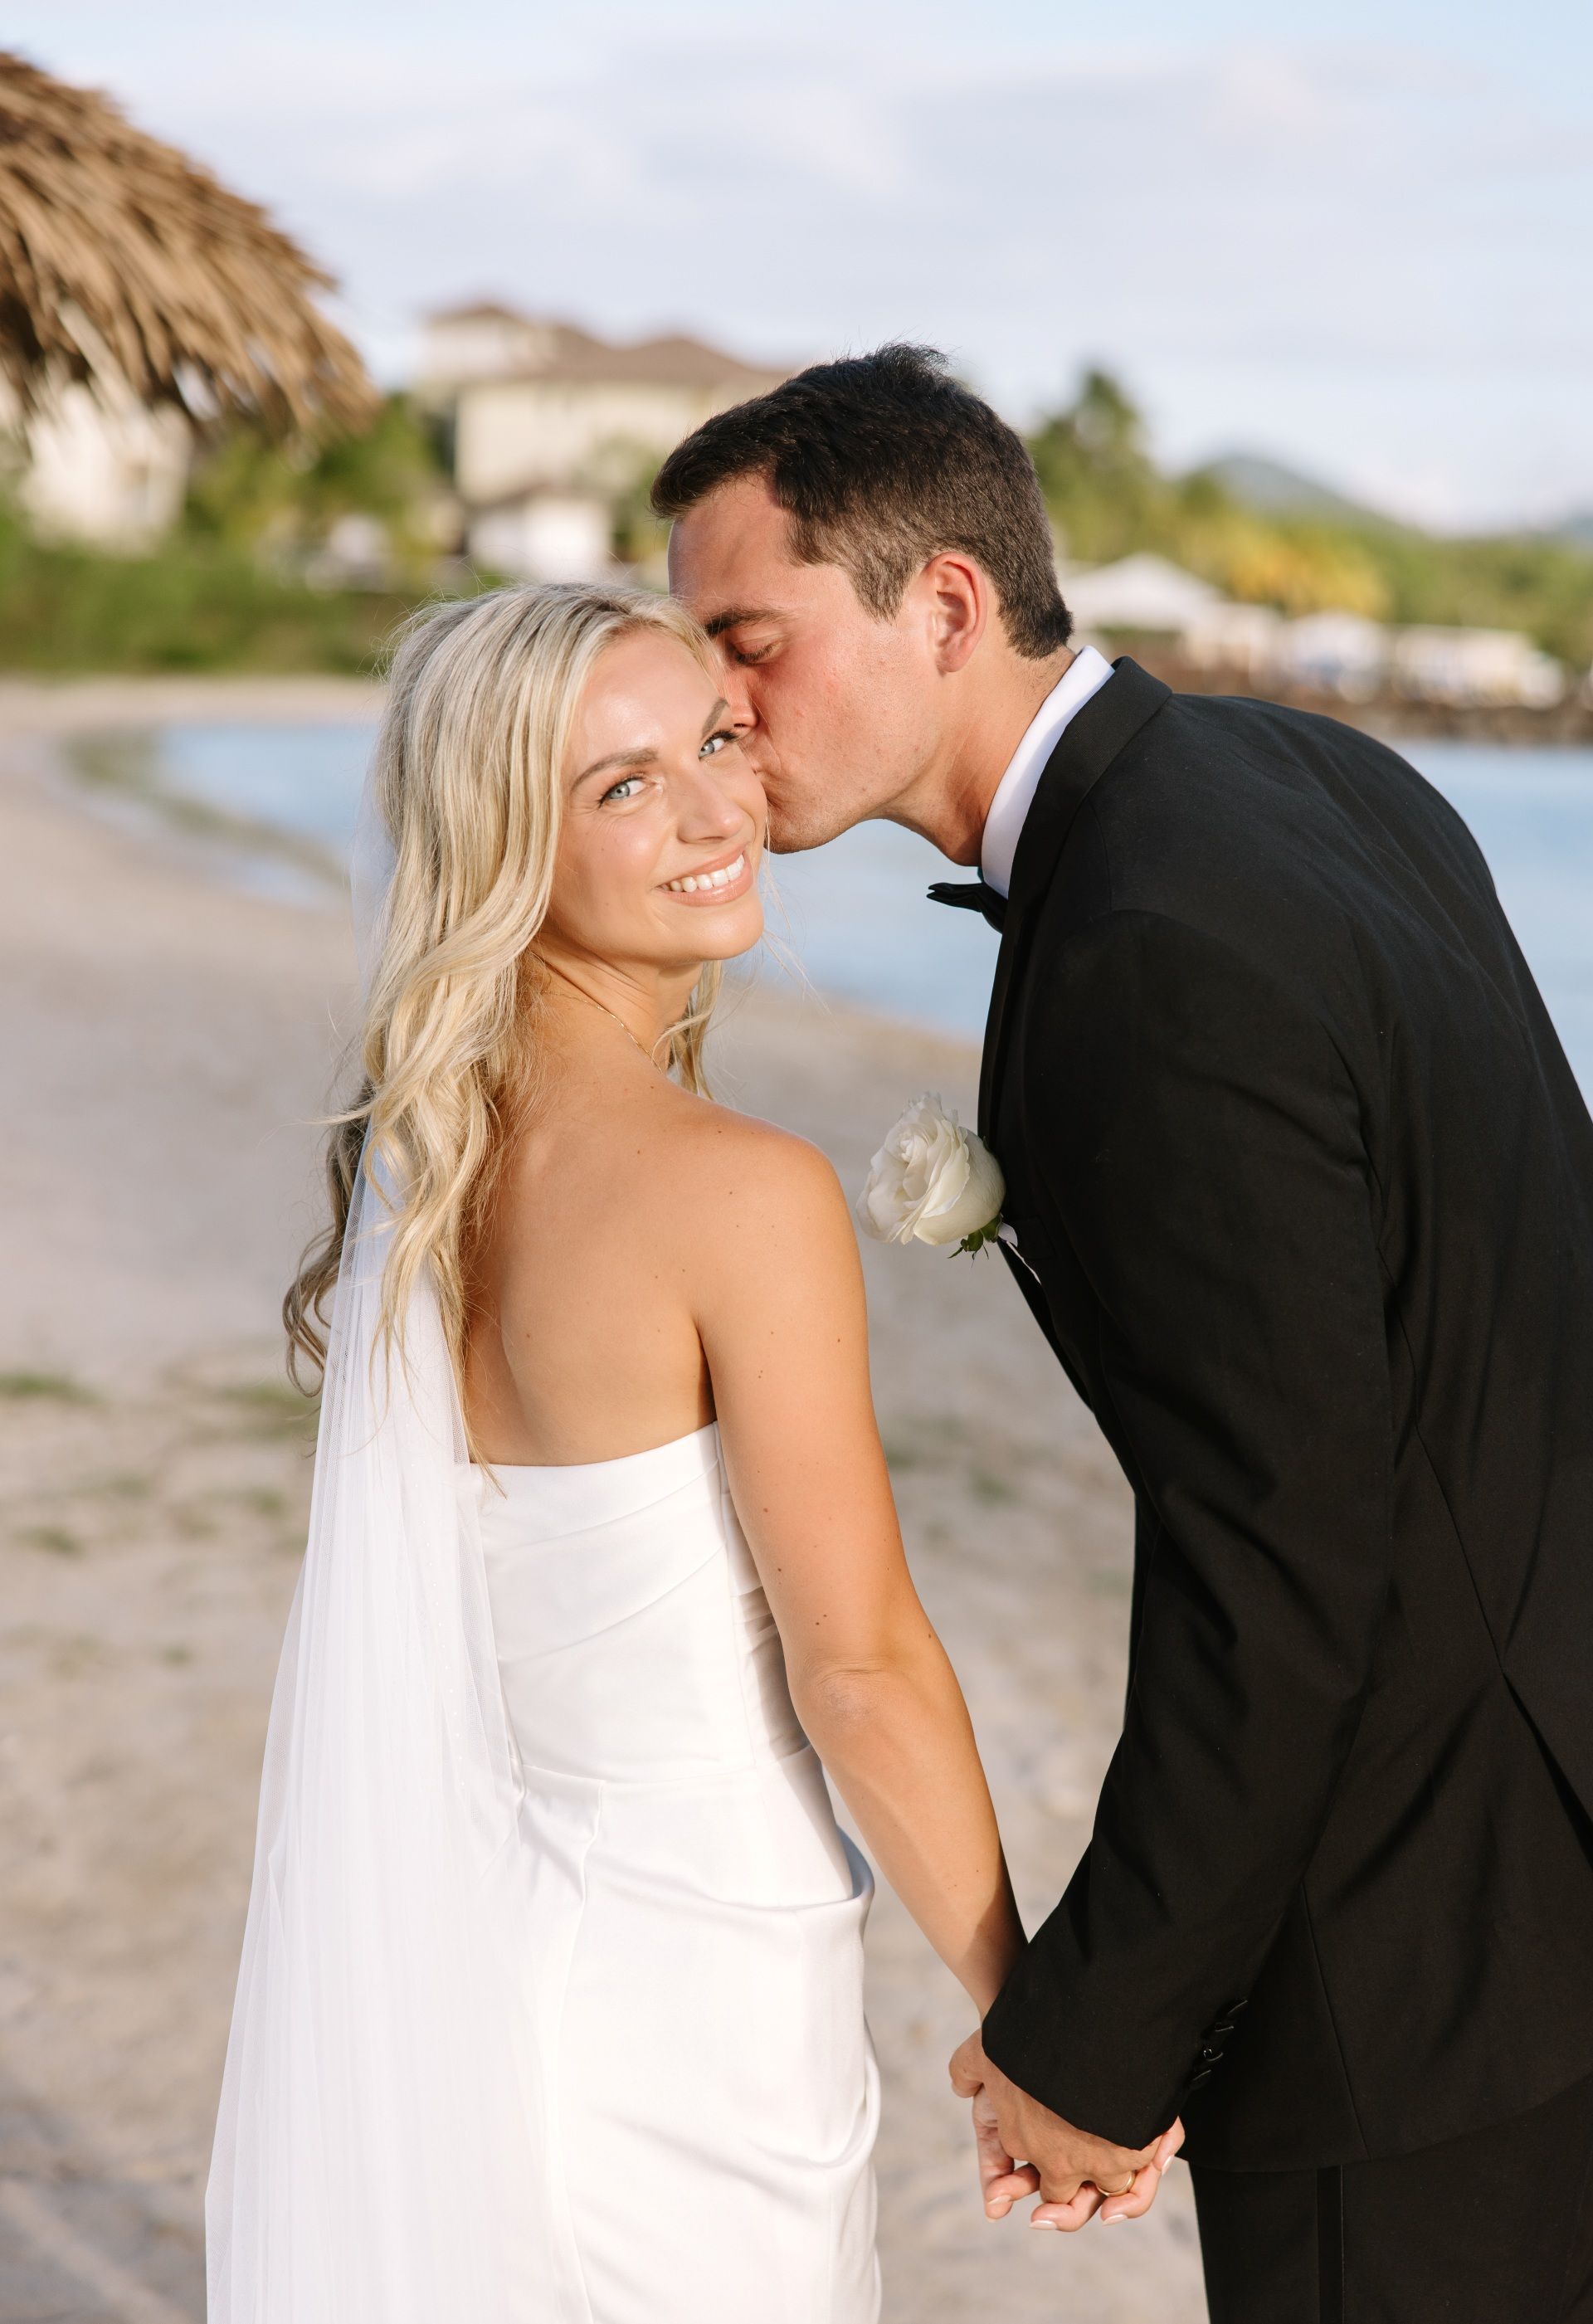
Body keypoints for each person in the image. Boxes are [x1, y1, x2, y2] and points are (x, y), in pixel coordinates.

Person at [657, 345, 1593, 2322]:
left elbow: (1281, 1568)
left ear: (945, 602)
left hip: (1420, 1959)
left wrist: (1093, 2043)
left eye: (750, 633)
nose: (716, 701)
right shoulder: (1316, 773)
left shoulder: (1149, 952)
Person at [207, 582, 1101, 2322]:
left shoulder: (431, 1170)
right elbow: (858, 1665)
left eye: (710, 740)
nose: (714, 808)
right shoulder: (735, 1191)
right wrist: (1039, 2014)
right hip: (701, 2021)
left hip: (497, 1984)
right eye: (623, 787)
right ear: (506, 852)